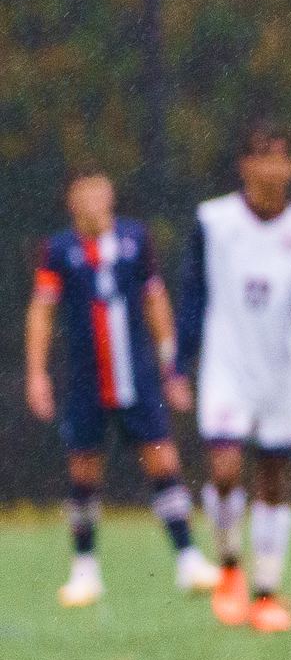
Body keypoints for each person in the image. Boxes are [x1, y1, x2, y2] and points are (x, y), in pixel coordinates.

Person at [167, 123, 291, 633]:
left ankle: (265, 592)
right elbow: (193, 294)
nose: (270, 168)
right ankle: (230, 568)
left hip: (280, 369)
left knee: (274, 477)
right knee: (224, 467)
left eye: (280, 158)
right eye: (260, 156)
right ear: (244, 165)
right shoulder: (214, 221)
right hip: (226, 363)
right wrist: (180, 363)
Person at [26, 168, 221, 606]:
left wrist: (172, 364)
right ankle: (84, 569)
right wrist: (37, 373)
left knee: (163, 461)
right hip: (84, 380)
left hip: (138, 376)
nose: (94, 199)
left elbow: (155, 300)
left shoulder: (135, 240)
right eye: (84, 191)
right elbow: (42, 311)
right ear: (71, 199)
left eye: (100, 189)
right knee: (83, 472)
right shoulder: (59, 250)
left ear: (111, 194)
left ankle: (189, 559)